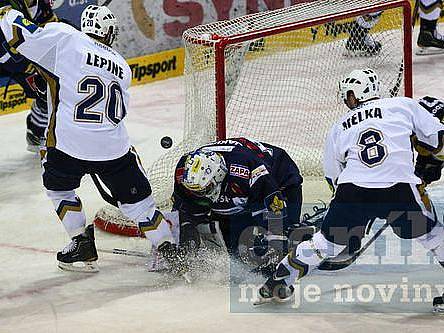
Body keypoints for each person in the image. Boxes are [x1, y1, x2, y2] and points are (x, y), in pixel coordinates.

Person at [0, 3, 179, 272]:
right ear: (109, 34)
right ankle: (169, 250)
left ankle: (81, 242)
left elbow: (20, 35)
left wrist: (6, 12)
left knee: (58, 188)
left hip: (68, 145)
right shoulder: (122, 65)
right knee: (139, 205)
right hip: (113, 148)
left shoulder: (66, 37)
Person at [255, 68, 444, 310]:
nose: (347, 101)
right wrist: (427, 169)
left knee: (325, 244)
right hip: (400, 188)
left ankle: (277, 282)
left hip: (352, 191)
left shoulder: (339, 126)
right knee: (435, 237)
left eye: (349, 95)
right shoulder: (404, 105)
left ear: (357, 94)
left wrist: (349, 211)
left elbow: (333, 177)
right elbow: (437, 139)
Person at [171, 137, 305, 269]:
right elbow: (182, 208)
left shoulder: (247, 170)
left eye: (206, 189)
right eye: (196, 191)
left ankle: (313, 234)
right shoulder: (184, 171)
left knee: (284, 240)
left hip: (279, 177)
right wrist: (181, 235)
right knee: (234, 250)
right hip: (241, 190)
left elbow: (274, 206)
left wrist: (276, 240)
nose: (201, 195)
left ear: (218, 175)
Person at [0, 0, 56, 152]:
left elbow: (50, 26)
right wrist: (30, 65)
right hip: (8, 56)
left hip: (18, 57)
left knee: (47, 87)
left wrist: (72, 33)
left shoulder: (42, 3)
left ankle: (36, 133)